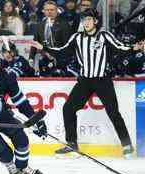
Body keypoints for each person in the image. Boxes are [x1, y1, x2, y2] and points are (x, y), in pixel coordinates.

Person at [31, 8, 144, 158]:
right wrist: (43, 48)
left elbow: (119, 48)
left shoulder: (104, 35)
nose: (86, 22)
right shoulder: (77, 37)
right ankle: (72, 144)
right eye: (84, 20)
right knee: (68, 109)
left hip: (102, 80)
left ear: (95, 21)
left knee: (113, 113)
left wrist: (132, 48)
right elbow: (62, 51)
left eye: (89, 19)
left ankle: (127, 145)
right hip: (85, 80)